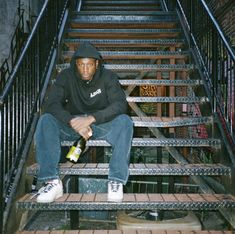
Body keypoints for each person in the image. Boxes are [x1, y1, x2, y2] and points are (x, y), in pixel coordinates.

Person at [34, 42, 133, 203]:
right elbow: (51, 104)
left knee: (125, 122)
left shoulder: (108, 77)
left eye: (89, 65)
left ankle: (116, 180)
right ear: (76, 64)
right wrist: (72, 121)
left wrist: (91, 119)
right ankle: (52, 181)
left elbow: (120, 105)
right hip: (73, 124)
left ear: (97, 64)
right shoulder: (66, 76)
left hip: (101, 123)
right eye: (81, 65)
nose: (85, 69)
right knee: (46, 120)